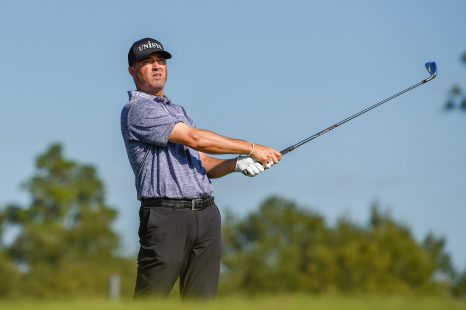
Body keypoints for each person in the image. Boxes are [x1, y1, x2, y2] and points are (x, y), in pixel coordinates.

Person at [120, 37, 282, 298]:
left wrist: (236, 164)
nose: (157, 66)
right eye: (148, 62)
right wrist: (251, 148)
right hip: (166, 217)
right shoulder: (137, 109)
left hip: (205, 216)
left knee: (202, 301)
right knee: (150, 300)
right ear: (132, 71)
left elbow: (203, 163)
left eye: (161, 61)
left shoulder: (178, 111)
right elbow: (195, 139)